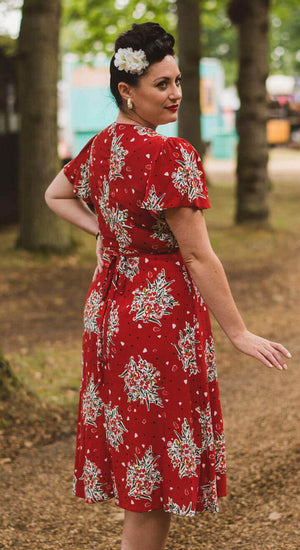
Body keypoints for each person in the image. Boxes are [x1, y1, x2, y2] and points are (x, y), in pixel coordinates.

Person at [45, 22, 291, 550]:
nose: (176, 92)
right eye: (162, 84)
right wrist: (240, 332)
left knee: (139, 456)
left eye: (178, 80)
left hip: (110, 312)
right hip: (156, 320)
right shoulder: (168, 155)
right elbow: (199, 254)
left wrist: (108, 234)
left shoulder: (102, 146)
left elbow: (56, 195)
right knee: (152, 473)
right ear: (126, 92)